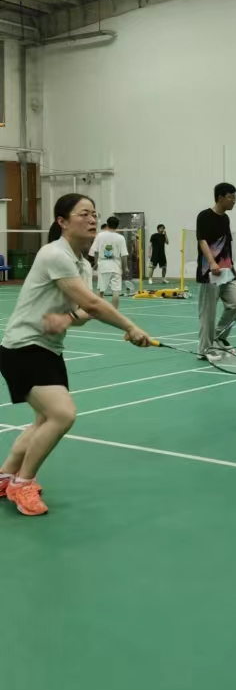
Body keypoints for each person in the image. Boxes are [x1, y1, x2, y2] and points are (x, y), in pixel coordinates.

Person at [0, 194, 154, 516]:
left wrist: (67, 318)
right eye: (84, 214)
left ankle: (5, 476)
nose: (92, 219)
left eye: (94, 213)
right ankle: (22, 484)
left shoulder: (82, 263)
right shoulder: (54, 254)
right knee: (62, 415)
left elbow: (83, 310)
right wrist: (131, 327)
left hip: (48, 348)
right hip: (23, 347)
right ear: (62, 221)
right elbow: (94, 305)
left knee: (44, 419)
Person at [196, 182, 236, 361]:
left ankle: (219, 335)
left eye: (235, 198)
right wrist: (212, 262)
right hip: (210, 272)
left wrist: (231, 267)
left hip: (227, 271)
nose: (233, 201)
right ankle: (204, 349)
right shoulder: (204, 216)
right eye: (231, 197)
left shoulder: (226, 219)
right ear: (220, 198)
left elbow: (226, 245)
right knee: (208, 313)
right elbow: (202, 241)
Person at [88, 215, 129, 312]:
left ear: (107, 224)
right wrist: (125, 268)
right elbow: (124, 255)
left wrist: (96, 264)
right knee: (116, 291)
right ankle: (115, 311)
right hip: (116, 266)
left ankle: (98, 310)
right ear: (117, 226)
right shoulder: (121, 238)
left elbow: (95, 252)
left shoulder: (100, 235)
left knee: (100, 290)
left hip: (103, 265)